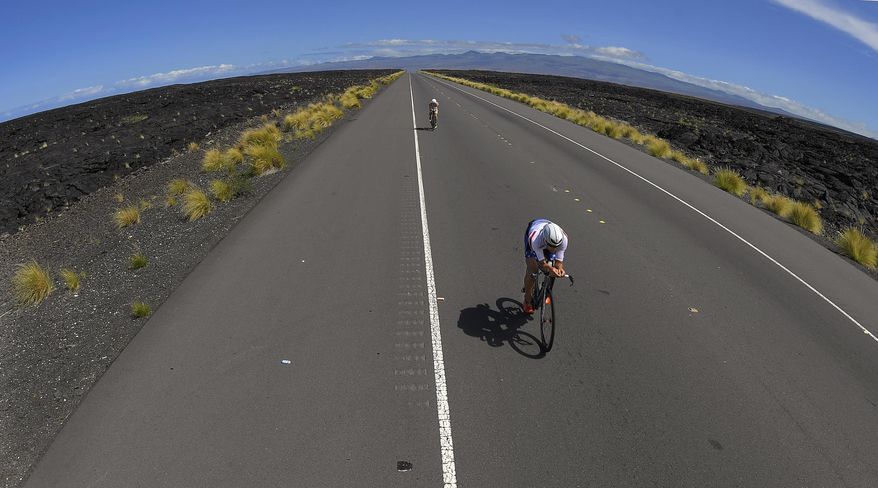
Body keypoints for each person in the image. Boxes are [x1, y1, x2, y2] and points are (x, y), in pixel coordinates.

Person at [522, 219, 568, 314]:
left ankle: (546, 292)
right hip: (534, 238)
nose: (553, 249)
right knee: (533, 270)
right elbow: (541, 263)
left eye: (556, 246)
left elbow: (559, 263)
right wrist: (550, 269)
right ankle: (527, 299)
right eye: (551, 246)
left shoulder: (564, 240)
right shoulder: (535, 240)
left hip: (547, 237)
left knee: (553, 266)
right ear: (545, 240)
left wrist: (559, 270)